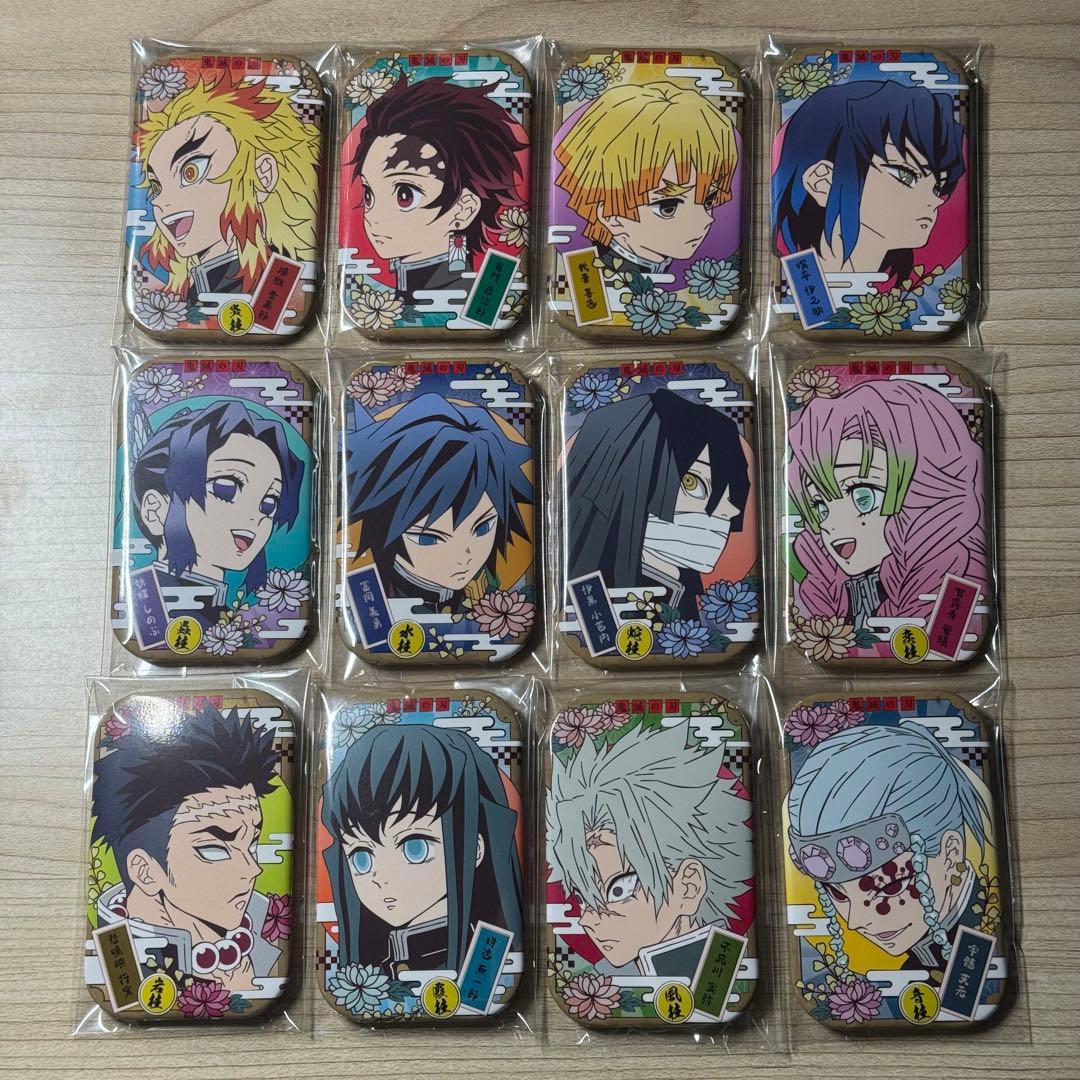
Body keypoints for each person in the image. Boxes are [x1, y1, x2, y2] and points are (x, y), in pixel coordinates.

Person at [91, 702, 282, 992]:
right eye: (214, 849)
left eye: (252, 843)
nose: (252, 869)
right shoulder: (117, 970)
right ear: (145, 871)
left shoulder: (259, 922)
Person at [787, 720, 995, 976]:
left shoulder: (979, 949)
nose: (855, 921)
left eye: (891, 886)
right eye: (838, 894)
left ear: (951, 854)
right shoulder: (924, 959)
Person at [547, 721, 751, 978]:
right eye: (582, 898)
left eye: (619, 890)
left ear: (689, 886)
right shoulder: (609, 980)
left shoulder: (725, 973)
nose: (587, 919)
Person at [321, 723, 524, 979]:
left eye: (414, 849)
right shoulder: (377, 961)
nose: (381, 878)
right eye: (362, 858)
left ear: (475, 848)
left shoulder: (487, 955)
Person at [787, 378, 986, 631]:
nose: (831, 525)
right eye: (820, 506)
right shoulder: (832, 588)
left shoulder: (958, 585)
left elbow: (943, 645)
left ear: (924, 488)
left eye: (862, 497)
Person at [136, 70, 321, 304]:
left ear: (263, 175)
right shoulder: (188, 292)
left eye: (190, 172)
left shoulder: (280, 284)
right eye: (156, 186)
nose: (160, 201)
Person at [565, 388, 751, 618]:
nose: (729, 512)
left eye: (730, 496)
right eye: (692, 482)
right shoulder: (590, 602)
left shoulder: (679, 590)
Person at [346, 395, 532, 612]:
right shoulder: (372, 601)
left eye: (483, 527)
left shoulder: (488, 590)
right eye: (428, 539)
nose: (464, 558)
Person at [351, 77, 527, 303]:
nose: (374, 217)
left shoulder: (482, 300)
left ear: (464, 209)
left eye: (405, 196)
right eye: (368, 195)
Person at [772, 80, 965, 282]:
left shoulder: (905, 291)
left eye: (937, 187)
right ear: (823, 182)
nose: (935, 201)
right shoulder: (800, 286)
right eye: (905, 176)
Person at [131, 400, 304, 622]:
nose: (256, 516)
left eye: (269, 503)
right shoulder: (146, 617)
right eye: (226, 488)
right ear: (155, 511)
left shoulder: (230, 624)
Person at [554, 81, 737, 275]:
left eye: (708, 200)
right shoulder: (587, 277)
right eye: (668, 207)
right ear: (611, 216)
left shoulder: (657, 262)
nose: (706, 219)